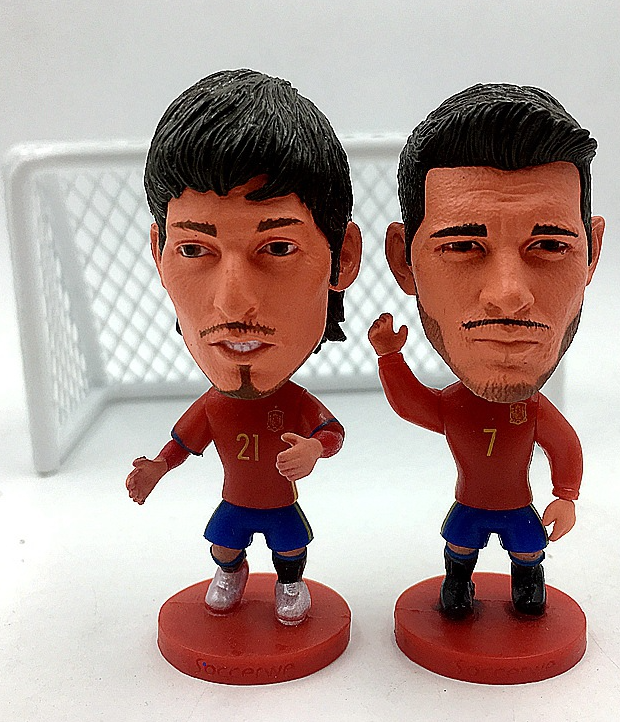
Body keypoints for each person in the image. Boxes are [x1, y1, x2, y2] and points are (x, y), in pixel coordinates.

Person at [125, 70, 361, 626]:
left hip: (280, 504)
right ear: (158, 252)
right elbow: (182, 443)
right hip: (235, 503)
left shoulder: (296, 402)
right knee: (225, 543)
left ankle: (289, 583)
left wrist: (314, 449)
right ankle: (229, 573)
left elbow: (330, 432)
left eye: (277, 248)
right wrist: (157, 467)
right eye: (193, 249)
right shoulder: (214, 406)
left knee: (290, 548)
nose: (233, 304)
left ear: (343, 257)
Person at [368, 83, 603, 618]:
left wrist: (566, 495)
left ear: (592, 254)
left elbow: (564, 446)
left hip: (520, 508)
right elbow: (414, 404)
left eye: (550, 245)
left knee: (527, 550)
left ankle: (527, 586)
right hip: (471, 507)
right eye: (462, 245)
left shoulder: (534, 412)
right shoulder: (456, 406)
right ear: (404, 261)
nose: (508, 294)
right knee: (461, 547)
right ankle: (458, 585)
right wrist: (389, 358)